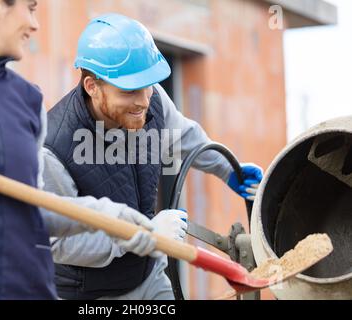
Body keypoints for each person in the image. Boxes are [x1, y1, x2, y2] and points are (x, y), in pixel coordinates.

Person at [0, 1, 160, 299]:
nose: (35, 25)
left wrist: (109, 217)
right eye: (30, 8)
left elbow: (32, 207)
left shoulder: (27, 100)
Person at [42, 13, 263, 300]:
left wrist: (228, 169)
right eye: (129, 91)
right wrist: (143, 235)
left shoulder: (151, 98)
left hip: (150, 275)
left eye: (148, 85)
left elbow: (183, 135)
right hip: (92, 294)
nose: (144, 100)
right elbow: (61, 243)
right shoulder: (54, 149)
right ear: (92, 87)